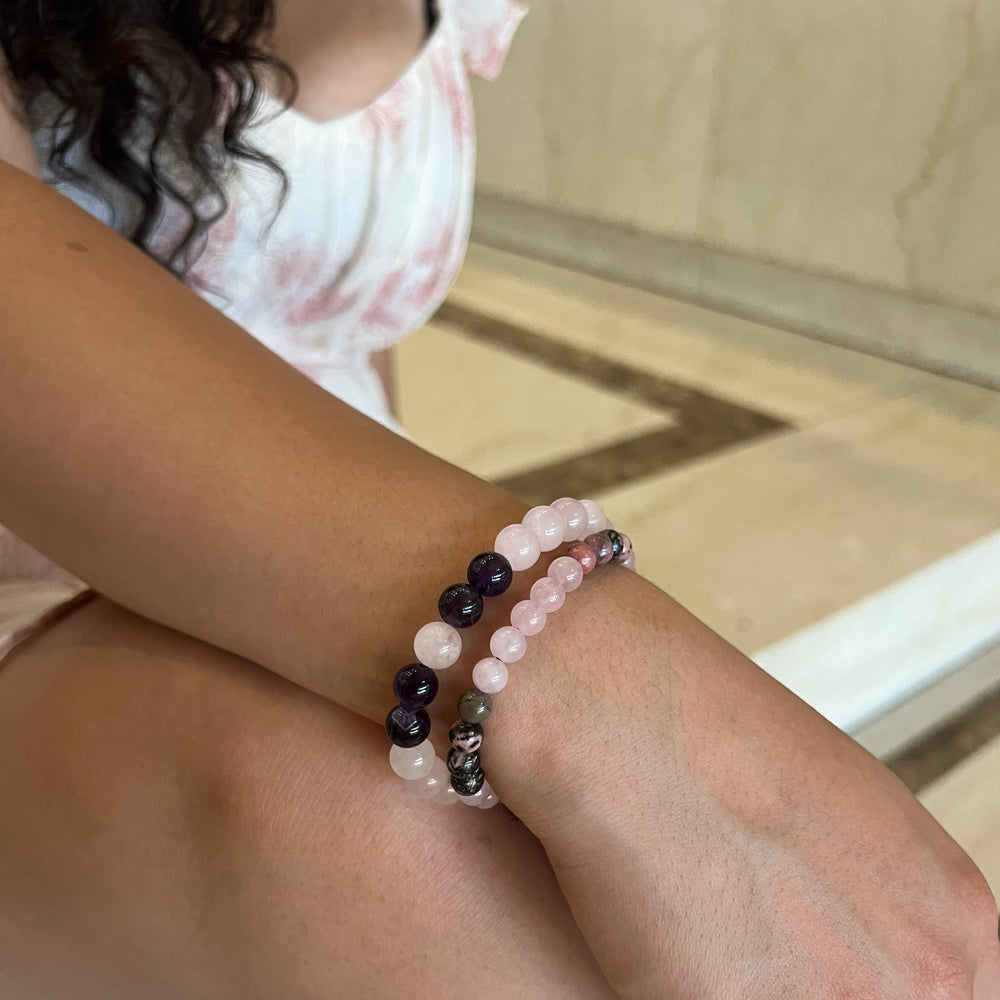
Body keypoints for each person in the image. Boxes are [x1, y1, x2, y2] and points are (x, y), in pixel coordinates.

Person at [0, 2, 996, 997]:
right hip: (61, 558)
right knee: (409, 855)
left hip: (339, 544)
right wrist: (588, 682)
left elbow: (354, 328)